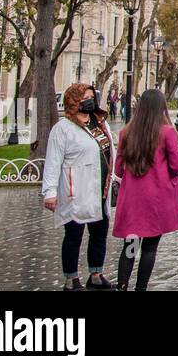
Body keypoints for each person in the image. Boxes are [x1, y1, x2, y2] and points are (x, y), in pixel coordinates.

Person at [111, 89, 178, 290]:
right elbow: (177, 165)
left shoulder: (126, 132)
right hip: (155, 199)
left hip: (132, 200)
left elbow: (118, 168)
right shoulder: (167, 133)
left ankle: (122, 285)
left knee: (130, 245)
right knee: (150, 247)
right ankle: (141, 288)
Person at [41, 84, 115, 290]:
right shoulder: (63, 129)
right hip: (76, 189)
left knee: (99, 232)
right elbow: (53, 161)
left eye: (92, 97)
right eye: (85, 97)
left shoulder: (99, 123)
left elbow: (110, 152)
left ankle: (96, 273)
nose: (90, 100)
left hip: (100, 188)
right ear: (74, 101)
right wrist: (50, 192)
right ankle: (71, 278)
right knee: (74, 235)